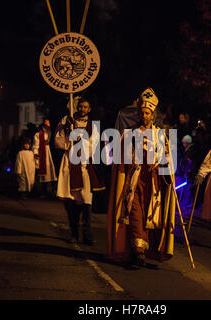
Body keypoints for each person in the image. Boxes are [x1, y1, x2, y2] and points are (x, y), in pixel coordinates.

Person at [107, 88, 176, 267]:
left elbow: (168, 159)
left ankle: (147, 249)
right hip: (134, 181)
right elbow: (121, 158)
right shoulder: (129, 134)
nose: (144, 115)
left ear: (152, 115)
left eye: (147, 113)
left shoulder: (160, 136)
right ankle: (138, 252)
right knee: (135, 213)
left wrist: (162, 164)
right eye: (142, 112)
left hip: (153, 183)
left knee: (150, 215)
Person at [54, 98, 105, 245]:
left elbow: (94, 145)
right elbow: (58, 141)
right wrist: (67, 132)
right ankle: (74, 234)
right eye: (80, 106)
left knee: (87, 201)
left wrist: (80, 142)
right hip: (70, 163)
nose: (82, 109)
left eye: (85, 107)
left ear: (89, 109)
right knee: (71, 203)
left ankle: (88, 235)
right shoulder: (66, 120)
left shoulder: (92, 126)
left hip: (84, 164)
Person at [33, 118, 57, 198]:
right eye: (46, 124)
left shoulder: (51, 132)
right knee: (45, 174)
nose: (48, 125)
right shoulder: (38, 134)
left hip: (50, 153)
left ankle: (54, 190)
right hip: (43, 153)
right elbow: (36, 145)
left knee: (52, 173)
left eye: (48, 123)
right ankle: (43, 191)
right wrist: (36, 153)